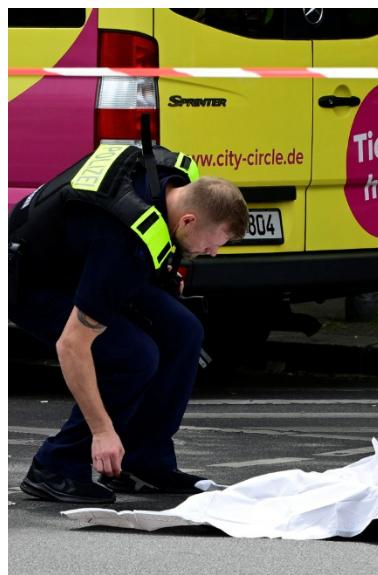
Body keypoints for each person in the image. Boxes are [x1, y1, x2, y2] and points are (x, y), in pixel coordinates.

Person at [11, 138, 247, 504]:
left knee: (184, 331)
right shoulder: (124, 243)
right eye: (215, 242)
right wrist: (103, 430)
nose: (213, 252)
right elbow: (71, 346)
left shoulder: (173, 178)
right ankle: (55, 466)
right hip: (34, 283)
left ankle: (144, 462)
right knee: (133, 356)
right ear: (188, 219)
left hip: (79, 255)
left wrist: (166, 267)